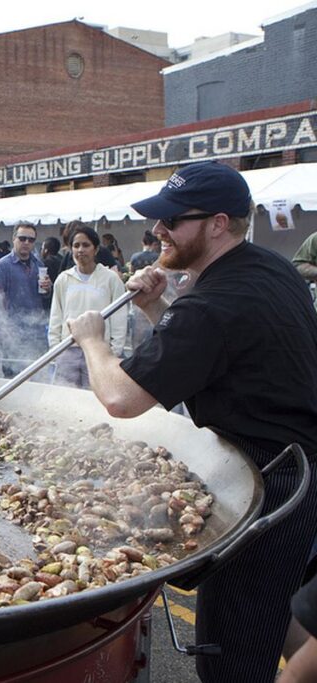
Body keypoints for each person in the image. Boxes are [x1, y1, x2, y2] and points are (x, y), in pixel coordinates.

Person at [65, 161, 317, 683]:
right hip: (300, 470)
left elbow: (119, 398)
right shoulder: (267, 269)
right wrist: (161, 308)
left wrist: (92, 338)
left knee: (232, 657)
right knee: (279, 608)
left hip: (273, 487)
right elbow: (212, 352)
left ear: (217, 223)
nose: (158, 230)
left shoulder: (213, 302)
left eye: (172, 220)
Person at [48, 225, 126, 388]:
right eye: (76, 246)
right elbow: (56, 316)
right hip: (68, 350)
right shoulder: (63, 279)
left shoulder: (111, 279)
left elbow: (119, 318)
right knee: (66, 401)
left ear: (96, 249)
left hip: (99, 351)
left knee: (95, 401)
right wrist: (56, 349)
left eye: (86, 245)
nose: (80, 250)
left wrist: (114, 351)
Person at [0, 222, 51, 376]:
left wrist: (48, 290)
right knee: (13, 383)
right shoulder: (2, 266)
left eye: (31, 240)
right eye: (22, 238)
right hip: (13, 335)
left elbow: (44, 299)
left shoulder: (38, 264)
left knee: (39, 381)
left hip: (36, 334)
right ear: (14, 239)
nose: (26, 243)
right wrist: (0, 334)